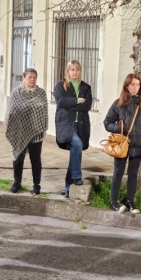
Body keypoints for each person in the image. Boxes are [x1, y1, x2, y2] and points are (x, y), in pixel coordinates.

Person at [104, 73, 141, 213]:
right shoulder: (119, 104)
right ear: (127, 86)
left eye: (138, 85)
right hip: (122, 144)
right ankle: (113, 201)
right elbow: (107, 123)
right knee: (118, 172)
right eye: (132, 84)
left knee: (133, 174)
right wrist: (120, 129)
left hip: (139, 144)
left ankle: (130, 201)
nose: (135, 87)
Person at [53, 60, 92, 198]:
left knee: (75, 152)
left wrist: (70, 105)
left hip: (81, 124)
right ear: (68, 71)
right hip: (66, 124)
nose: (75, 72)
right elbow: (61, 102)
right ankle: (76, 176)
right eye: (72, 69)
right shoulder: (60, 86)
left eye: (77, 69)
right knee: (77, 144)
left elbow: (87, 106)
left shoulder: (86, 87)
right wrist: (77, 101)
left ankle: (68, 188)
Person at [5, 68, 48, 195]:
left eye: (35, 77)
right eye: (30, 77)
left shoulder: (41, 93)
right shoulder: (15, 93)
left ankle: (36, 185)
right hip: (19, 131)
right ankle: (17, 183)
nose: (33, 80)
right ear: (23, 78)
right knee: (18, 157)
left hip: (36, 132)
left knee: (36, 159)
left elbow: (43, 112)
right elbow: (11, 111)